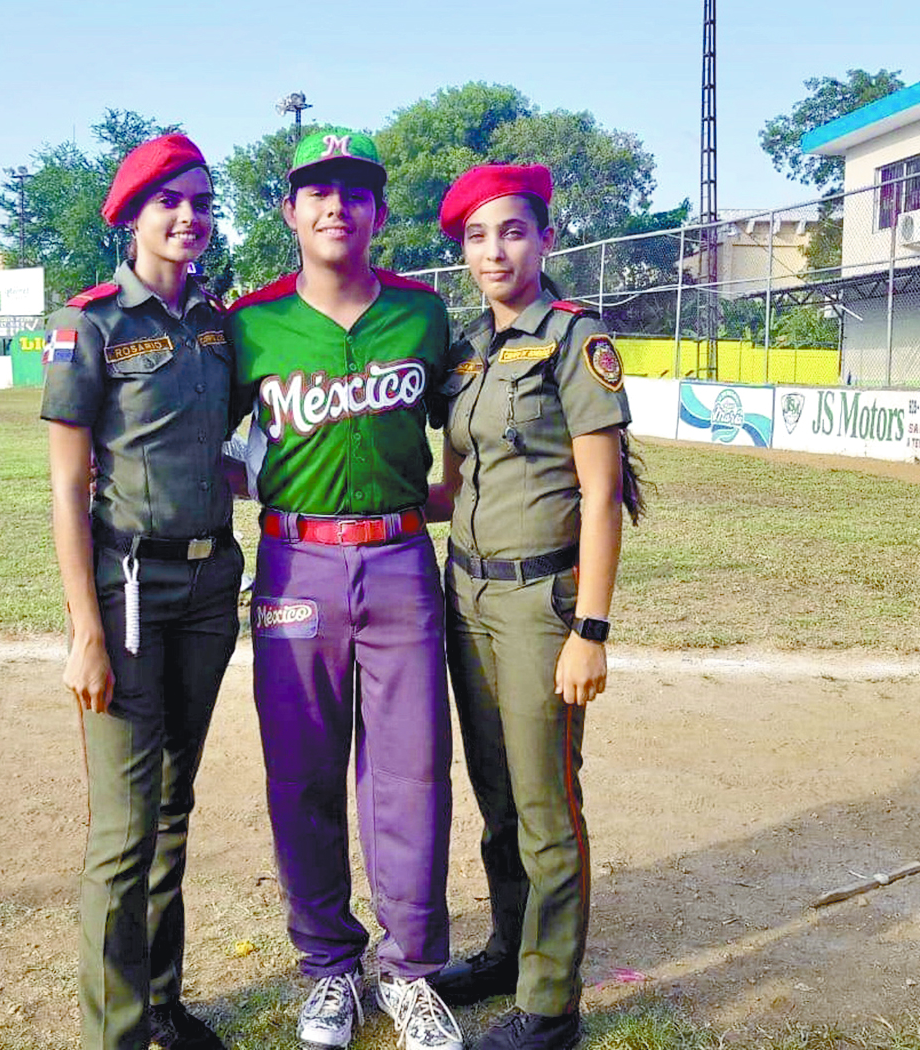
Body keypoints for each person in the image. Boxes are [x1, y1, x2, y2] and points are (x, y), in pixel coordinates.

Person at [226, 128, 463, 1050]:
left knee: (412, 774)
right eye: (318, 192)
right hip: (295, 565)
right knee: (302, 772)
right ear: (290, 211)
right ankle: (329, 968)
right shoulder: (251, 323)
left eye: (355, 192)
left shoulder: (421, 315)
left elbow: (466, 430)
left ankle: (411, 974)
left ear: (379, 212)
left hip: (401, 560)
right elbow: (209, 440)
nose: (336, 206)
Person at [424, 163, 644, 1050]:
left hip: (539, 602)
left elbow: (602, 494)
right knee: (495, 792)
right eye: (477, 237)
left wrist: (590, 628)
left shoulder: (575, 338)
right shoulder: (468, 352)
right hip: (465, 591)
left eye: (512, 231)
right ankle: (509, 950)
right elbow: (452, 488)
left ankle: (550, 1008)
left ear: (545, 238)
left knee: (546, 804)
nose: (494, 251)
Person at [41, 133, 243, 1050]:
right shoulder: (90, 324)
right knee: (124, 832)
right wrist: (85, 631)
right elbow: (67, 489)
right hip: (127, 591)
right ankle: (114, 1035)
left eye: (201, 201)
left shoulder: (217, 322)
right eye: (169, 200)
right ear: (131, 215)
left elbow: (231, 443)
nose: (188, 216)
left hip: (210, 585)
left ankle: (161, 1002)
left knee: (173, 804)